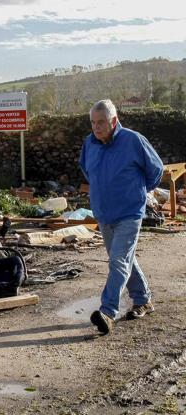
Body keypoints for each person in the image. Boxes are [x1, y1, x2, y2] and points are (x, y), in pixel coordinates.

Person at [79, 99, 164, 334]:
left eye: (101, 122)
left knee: (118, 261)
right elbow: (87, 169)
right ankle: (143, 299)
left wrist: (135, 191)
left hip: (129, 212)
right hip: (104, 214)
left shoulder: (133, 140)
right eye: (93, 123)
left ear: (114, 121)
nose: (96, 127)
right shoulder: (90, 144)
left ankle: (107, 312)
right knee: (125, 260)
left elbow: (156, 171)